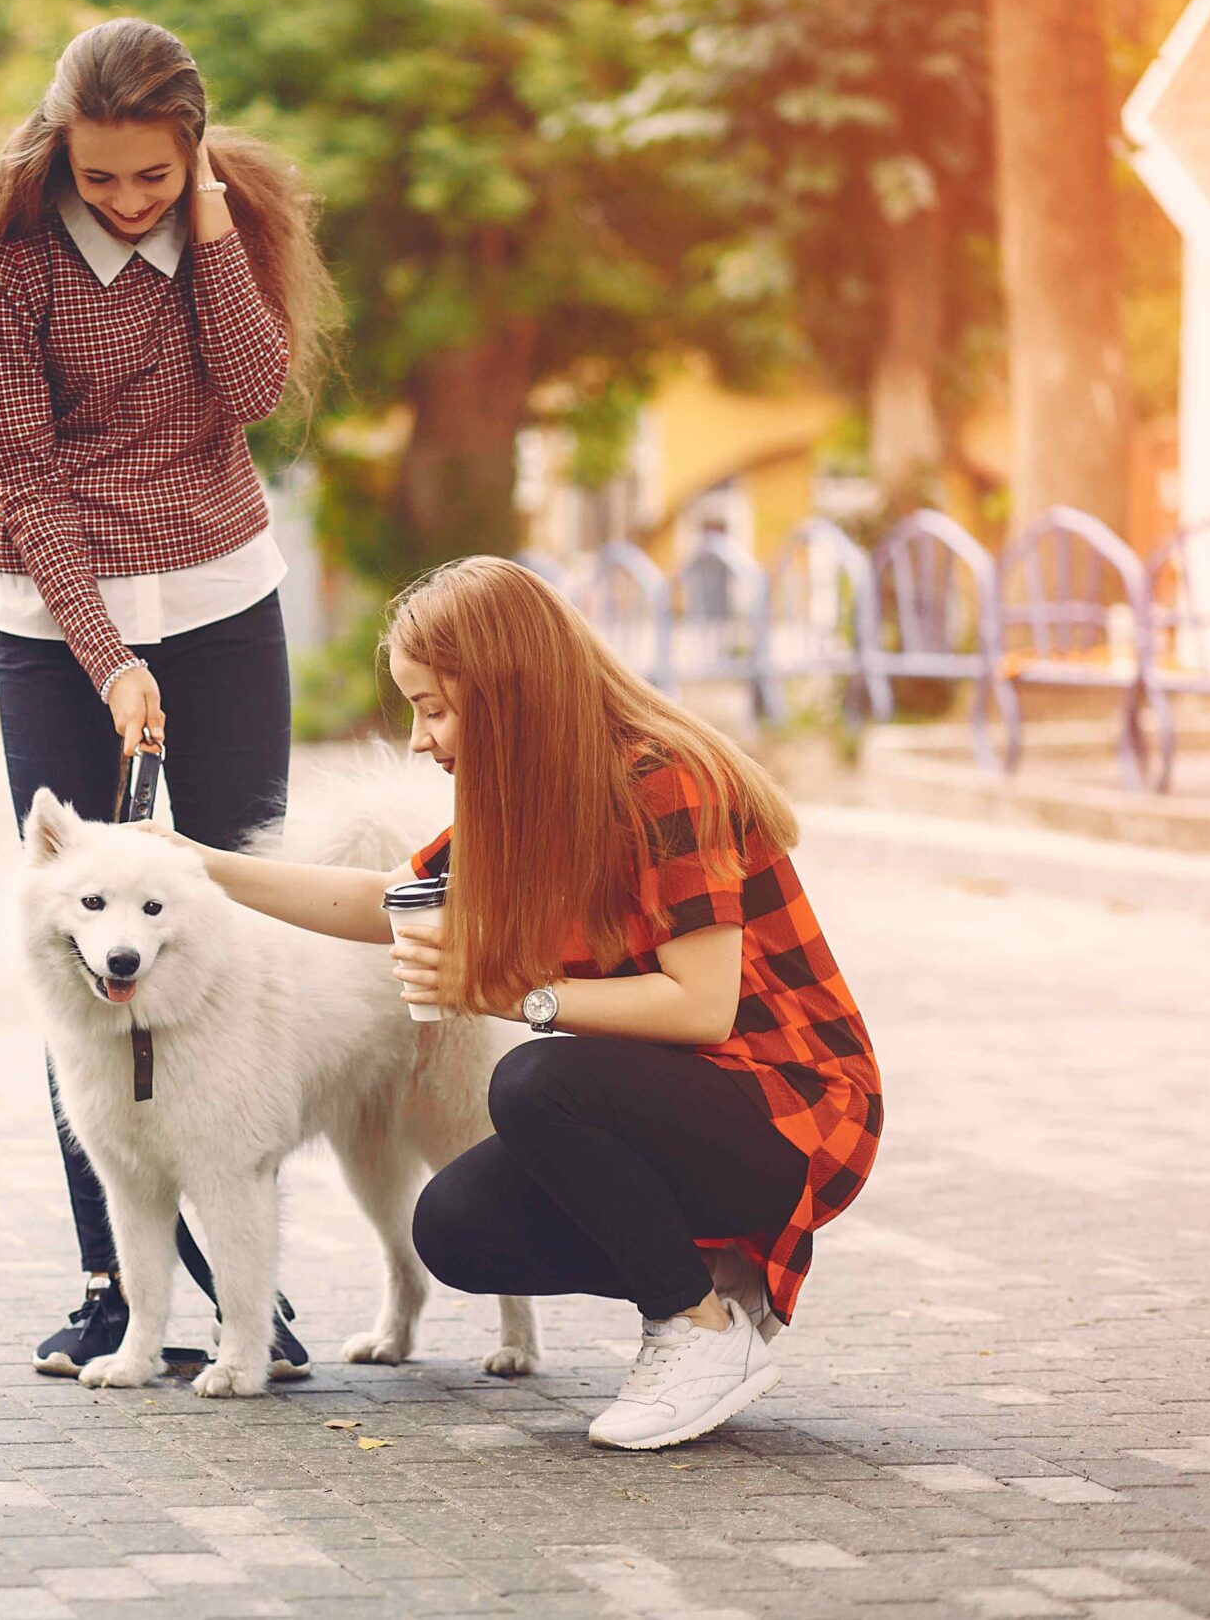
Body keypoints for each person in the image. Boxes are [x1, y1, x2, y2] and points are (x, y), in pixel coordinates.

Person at [142, 556, 882, 1450]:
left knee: (535, 1081)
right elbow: (384, 899)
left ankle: (699, 1329)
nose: (420, 739)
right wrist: (198, 862)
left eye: (435, 707)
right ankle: (721, 1275)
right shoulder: (527, 801)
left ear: (507, 691)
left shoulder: (667, 779)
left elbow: (701, 1010)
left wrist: (510, 995)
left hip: (793, 1111)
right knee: (457, 1228)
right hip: (679, 1102)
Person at [0, 16, 337, 1375]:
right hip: (58, 617)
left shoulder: (219, 225)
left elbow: (258, 388)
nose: (126, 198)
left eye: (155, 174)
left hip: (219, 596)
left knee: (233, 917)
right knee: (91, 937)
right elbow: (25, 483)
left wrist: (205, 228)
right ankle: (114, 1288)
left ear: (190, 150)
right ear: (59, 155)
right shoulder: (17, 268)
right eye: (103, 179)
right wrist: (106, 657)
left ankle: (251, 1299)